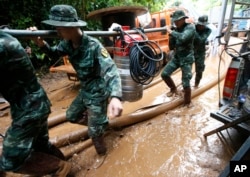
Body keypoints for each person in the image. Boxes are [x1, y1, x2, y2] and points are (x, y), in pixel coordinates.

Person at [29, 4, 123, 156]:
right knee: (71, 115)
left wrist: (115, 97)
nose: (57, 31)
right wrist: (41, 44)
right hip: (85, 89)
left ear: (72, 26)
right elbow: (55, 54)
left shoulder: (94, 46)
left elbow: (111, 69)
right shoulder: (66, 44)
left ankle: (103, 153)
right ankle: (100, 125)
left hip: (98, 91)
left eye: (59, 27)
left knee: (93, 134)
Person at [0, 27, 71, 176]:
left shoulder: (2, 43)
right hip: (34, 103)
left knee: (10, 159)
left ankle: (61, 168)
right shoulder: (5, 37)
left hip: (29, 108)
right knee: (40, 146)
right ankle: (67, 170)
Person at [161, 10, 195, 107]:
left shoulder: (190, 27)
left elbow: (183, 38)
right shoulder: (176, 30)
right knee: (164, 74)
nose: (176, 22)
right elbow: (171, 47)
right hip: (177, 57)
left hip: (187, 58)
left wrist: (171, 31)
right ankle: (173, 89)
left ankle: (188, 102)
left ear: (183, 19)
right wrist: (170, 35)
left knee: (185, 81)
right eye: (174, 21)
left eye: (178, 20)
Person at [193, 15, 212, 87]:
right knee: (186, 70)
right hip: (190, 51)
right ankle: (186, 86)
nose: (202, 27)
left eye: (203, 25)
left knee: (200, 69)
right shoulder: (192, 27)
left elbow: (201, 40)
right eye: (200, 25)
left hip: (200, 52)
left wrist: (193, 31)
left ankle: (196, 85)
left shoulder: (208, 30)